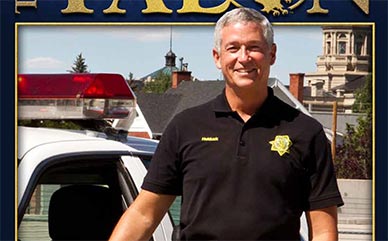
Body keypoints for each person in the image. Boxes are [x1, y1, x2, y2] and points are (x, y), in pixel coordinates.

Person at [110, 7, 343, 241]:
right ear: (217, 57)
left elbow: (323, 230)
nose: (243, 57)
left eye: (254, 47)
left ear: (272, 54)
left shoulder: (305, 131)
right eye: (233, 48)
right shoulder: (185, 127)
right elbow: (144, 215)